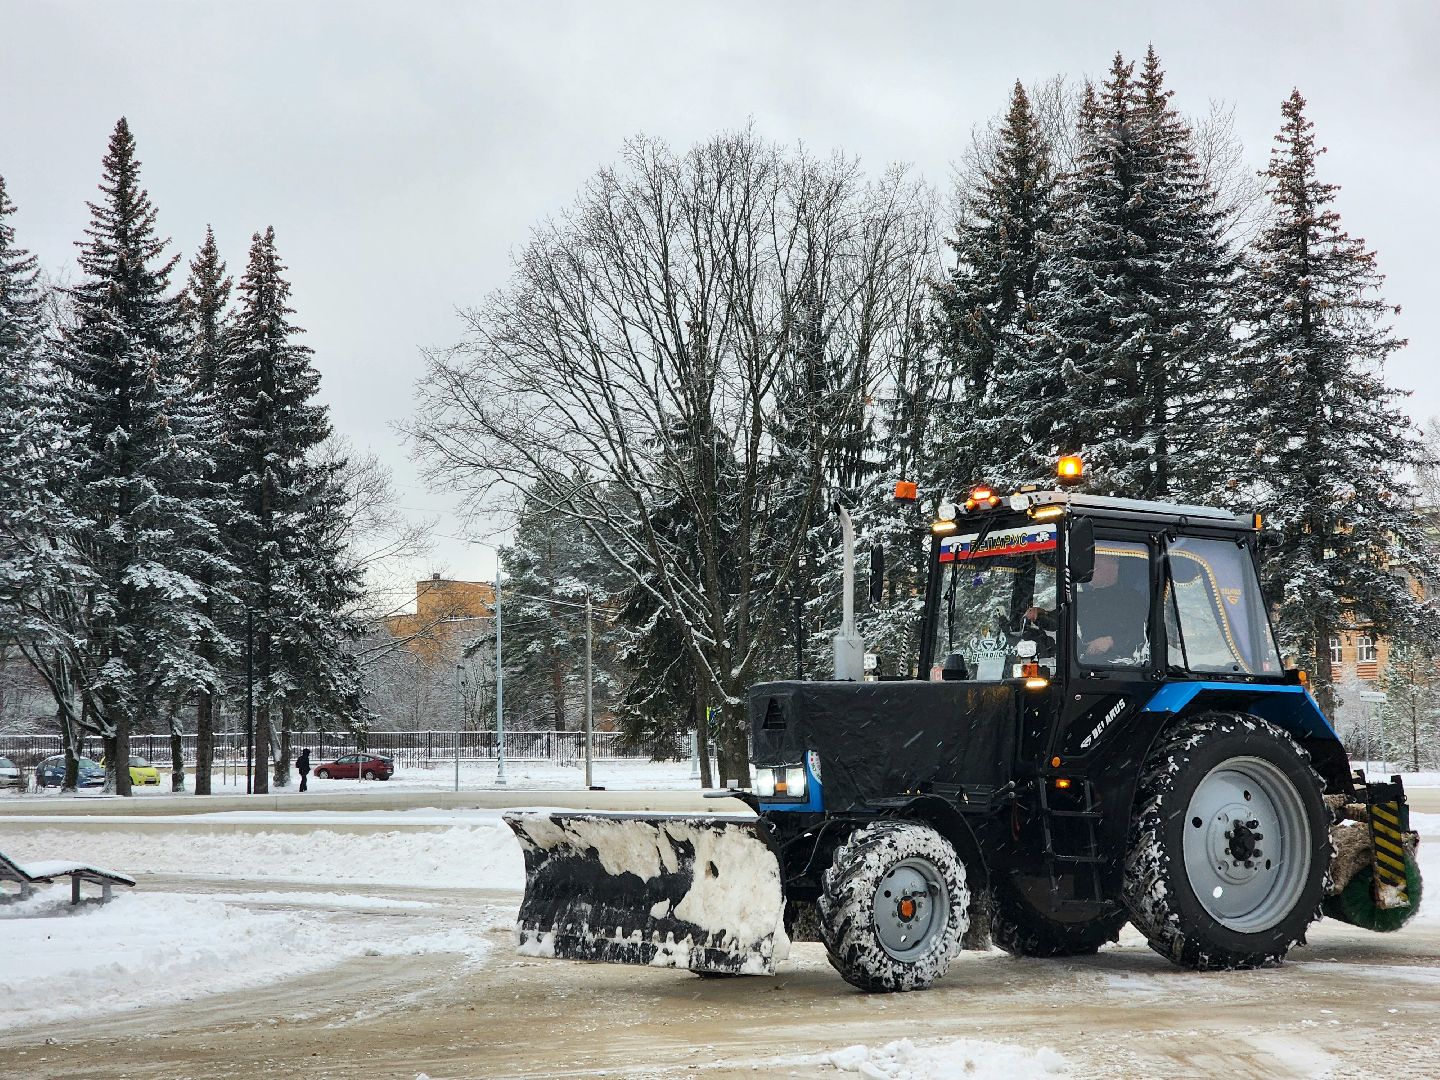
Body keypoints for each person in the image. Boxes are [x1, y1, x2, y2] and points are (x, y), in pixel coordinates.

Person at [1025, 551, 1149, 664]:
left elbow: (1142, 633)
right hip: (1087, 665)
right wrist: (1039, 615)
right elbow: (1059, 619)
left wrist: (1111, 641)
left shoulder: (1132, 598)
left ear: (1114, 567)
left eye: (1096, 566)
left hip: (1126, 666)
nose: (1091, 571)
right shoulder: (1083, 598)